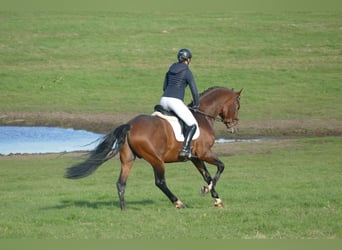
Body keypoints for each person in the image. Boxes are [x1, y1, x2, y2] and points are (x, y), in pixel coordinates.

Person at [159, 48, 200, 158]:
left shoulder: (170, 69)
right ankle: (185, 149)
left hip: (163, 100)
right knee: (192, 125)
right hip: (175, 101)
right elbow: (194, 91)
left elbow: (164, 87)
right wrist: (196, 105)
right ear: (188, 60)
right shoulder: (187, 71)